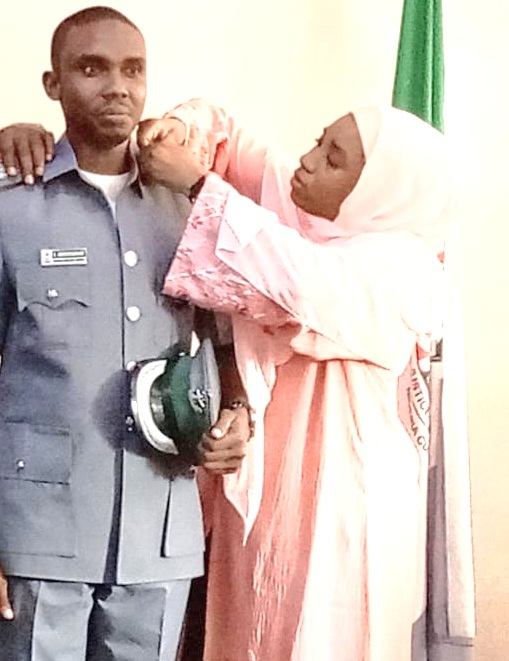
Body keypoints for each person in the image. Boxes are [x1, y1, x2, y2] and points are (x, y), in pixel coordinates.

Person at [0, 9, 251, 661]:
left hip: (158, 525)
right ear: (52, 84)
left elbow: (225, 346)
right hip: (37, 530)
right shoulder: (5, 204)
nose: (116, 86)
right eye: (92, 68)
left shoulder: (189, 205)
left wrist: (236, 413)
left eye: (132, 70)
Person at [136, 99, 454, 660]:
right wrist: (180, 129)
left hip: (343, 504)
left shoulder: (402, 268)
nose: (308, 161)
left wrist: (200, 185)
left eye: (334, 159)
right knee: (251, 633)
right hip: (274, 495)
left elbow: (299, 285)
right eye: (318, 142)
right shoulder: (309, 220)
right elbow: (228, 139)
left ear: (376, 192)